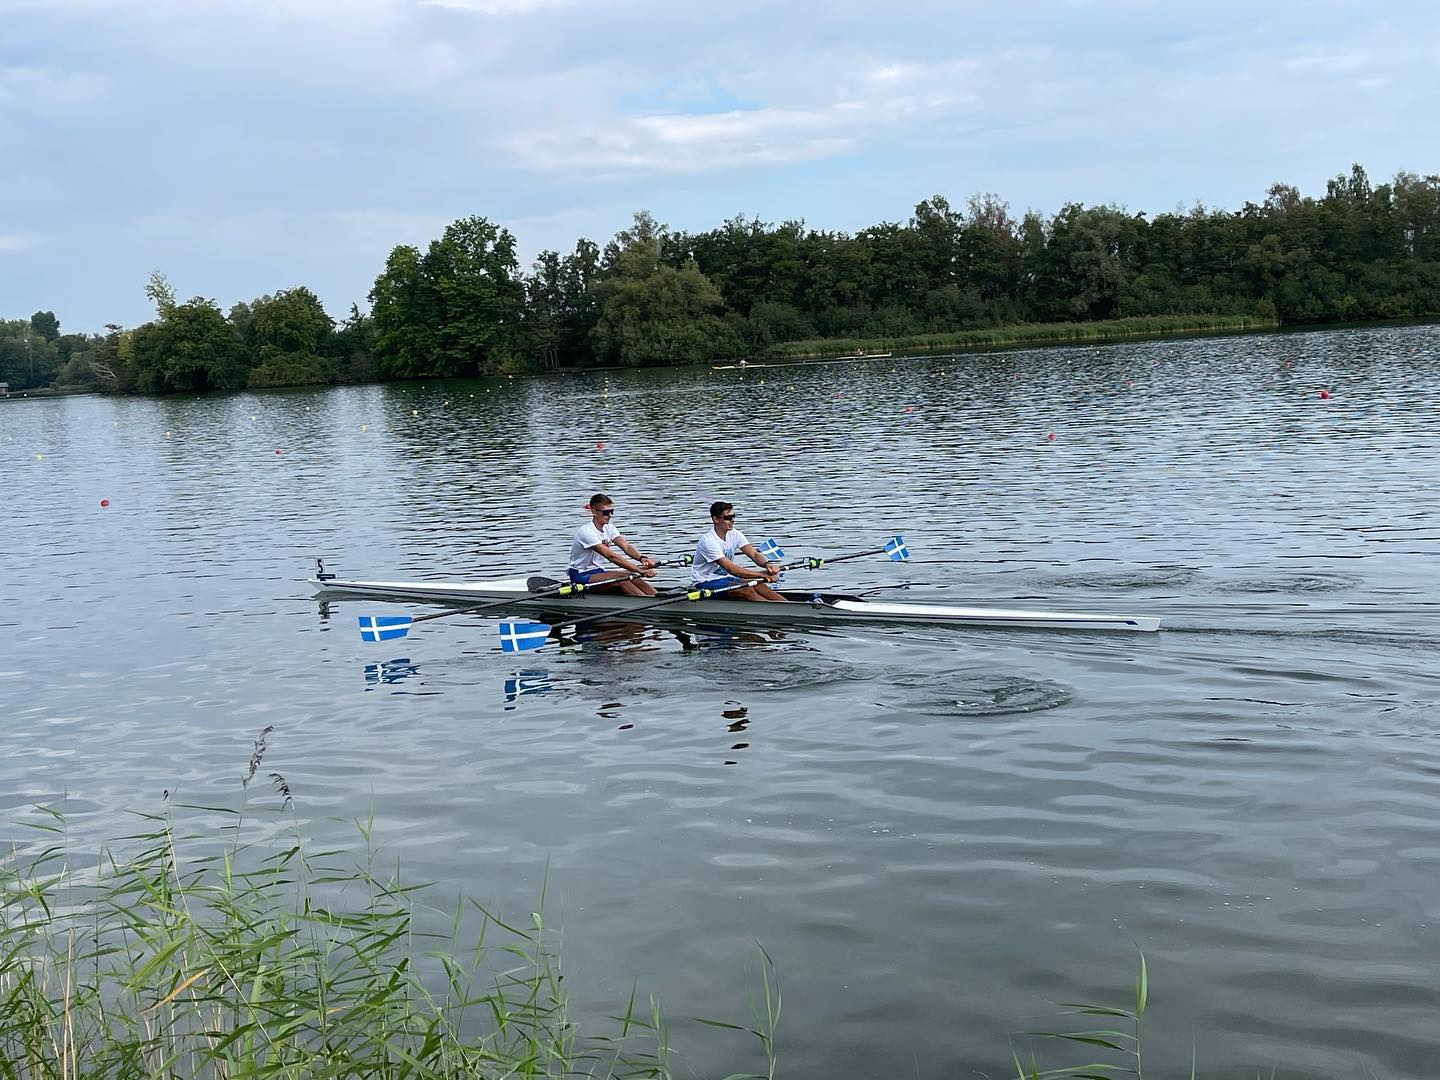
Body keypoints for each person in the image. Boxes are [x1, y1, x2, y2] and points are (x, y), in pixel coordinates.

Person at [690, 501, 789, 602]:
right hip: (705, 583)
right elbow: (731, 569)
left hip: (725, 579)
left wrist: (768, 565)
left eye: (733, 516)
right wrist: (763, 575)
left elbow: (754, 554)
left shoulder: (735, 534)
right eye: (728, 518)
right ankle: (774, 611)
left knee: (758, 583)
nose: (732, 520)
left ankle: (788, 605)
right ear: (716, 519)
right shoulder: (708, 541)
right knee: (746, 589)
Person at [568, 493, 658, 596]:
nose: (610, 515)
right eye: (606, 512)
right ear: (594, 512)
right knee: (621, 578)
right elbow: (610, 556)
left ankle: (658, 598)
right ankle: (647, 605)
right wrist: (639, 570)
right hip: (580, 576)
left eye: (611, 511)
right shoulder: (586, 532)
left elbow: (626, 547)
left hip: (598, 572)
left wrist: (642, 559)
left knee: (633, 576)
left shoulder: (609, 528)